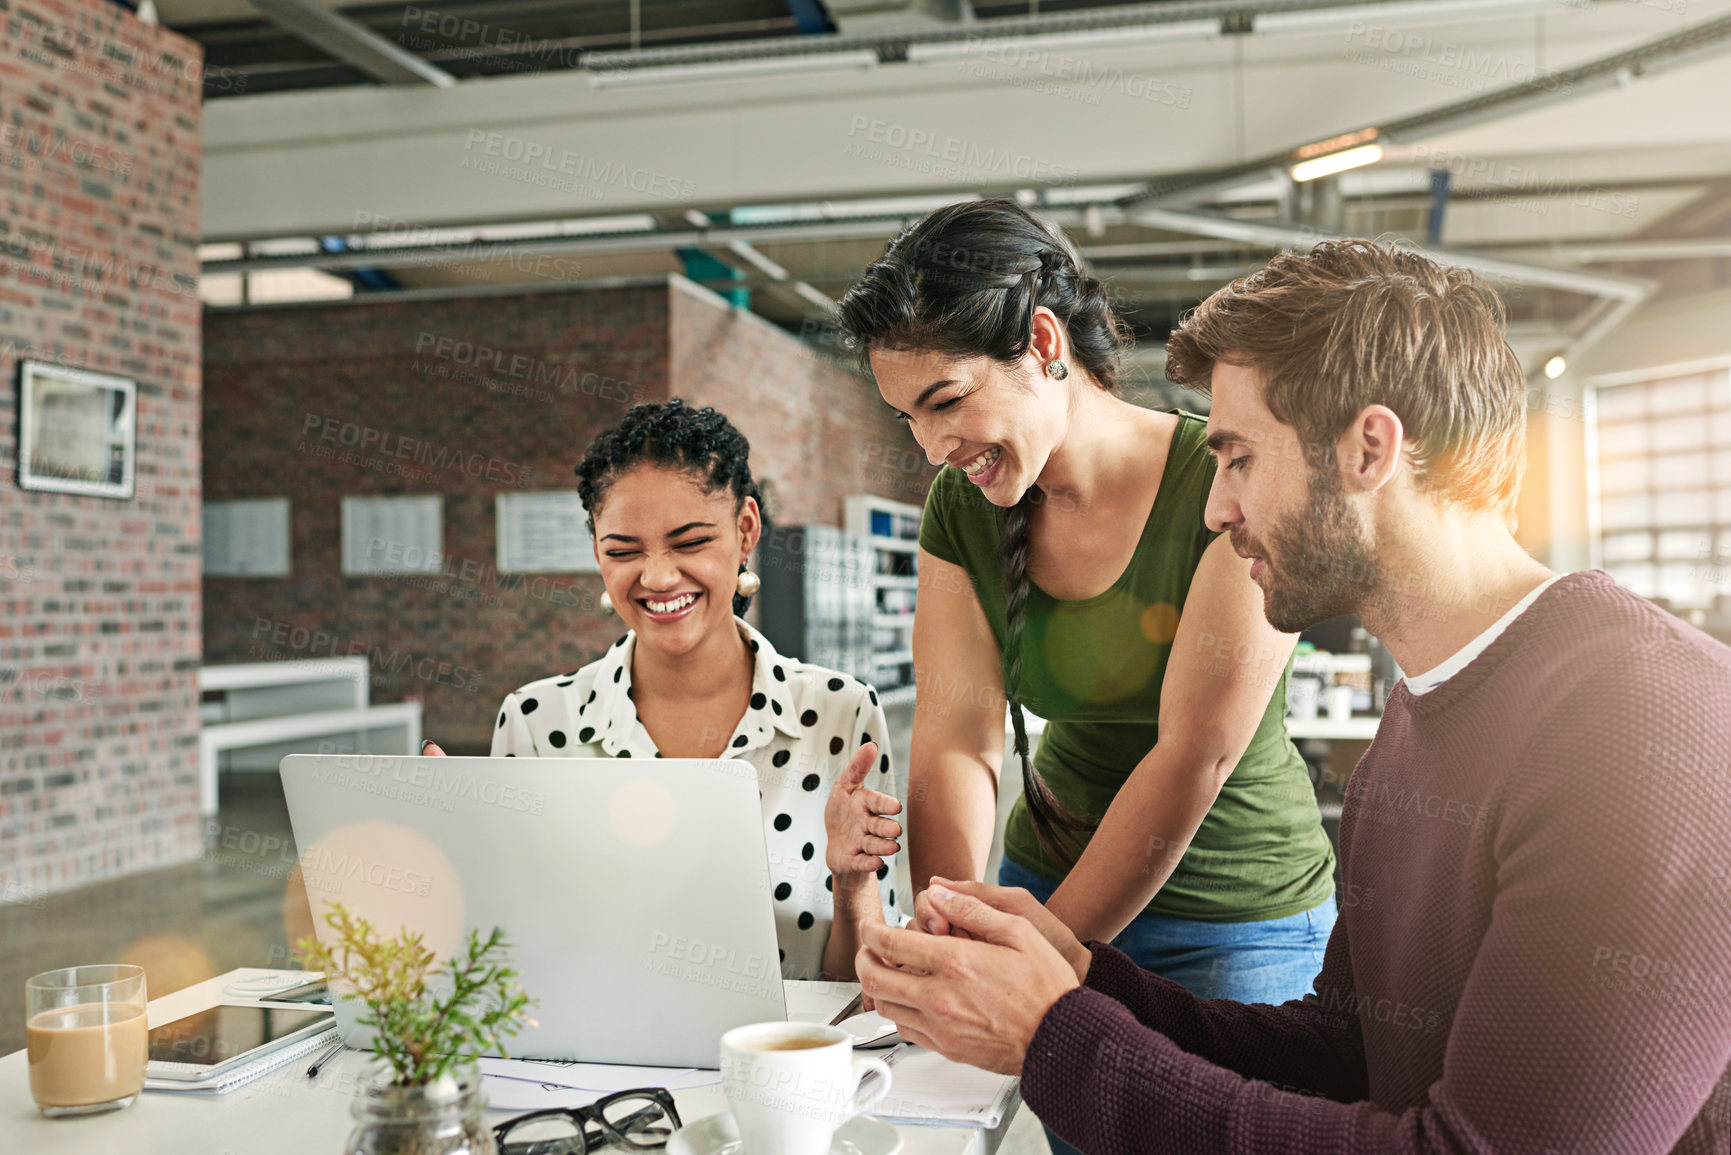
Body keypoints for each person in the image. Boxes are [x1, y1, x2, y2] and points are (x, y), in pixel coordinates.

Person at [853, 240, 1731, 1153]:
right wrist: (1084, 980)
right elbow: (1346, 1052)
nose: (1212, 508)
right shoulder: (1419, 713)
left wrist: (1057, 1037)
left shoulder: (1647, 732)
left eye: (1235, 458)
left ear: (1368, 449)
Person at [832, 198, 1336, 1006]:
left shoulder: (1222, 482)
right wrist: (954, 923)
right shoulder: (963, 506)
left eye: (947, 399)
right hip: (1042, 878)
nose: (931, 448)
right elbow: (957, 734)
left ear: (1041, 343)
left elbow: (1191, 755)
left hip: (1235, 921)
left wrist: (1030, 955)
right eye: (907, 418)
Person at [427, 400, 901, 981]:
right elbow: (517, 967)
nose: (656, 577)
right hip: (596, 1068)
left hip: (782, 1065)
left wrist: (853, 885)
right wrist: (456, 876)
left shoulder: (838, 716)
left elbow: (868, 993)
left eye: (688, 542)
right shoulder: (534, 721)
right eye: (624, 551)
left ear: (745, 529)